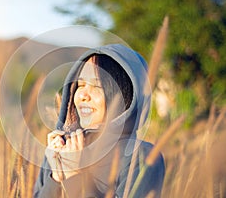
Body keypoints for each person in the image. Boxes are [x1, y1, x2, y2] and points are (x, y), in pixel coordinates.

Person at [33, 44, 165, 197]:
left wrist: (74, 176)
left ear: (123, 95)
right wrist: (55, 178)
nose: (83, 95)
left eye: (96, 86)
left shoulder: (141, 157)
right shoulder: (60, 148)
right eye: (80, 85)